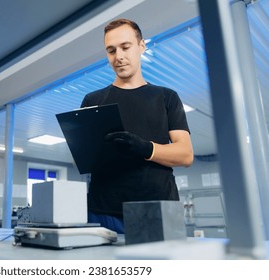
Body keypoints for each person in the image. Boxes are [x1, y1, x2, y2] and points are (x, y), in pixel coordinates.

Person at [81, 18, 194, 234]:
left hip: (159, 209)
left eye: (125, 47)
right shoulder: (92, 101)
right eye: (111, 50)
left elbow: (186, 155)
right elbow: (87, 158)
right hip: (104, 212)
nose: (119, 57)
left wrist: (146, 148)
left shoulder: (166, 97)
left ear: (141, 46)